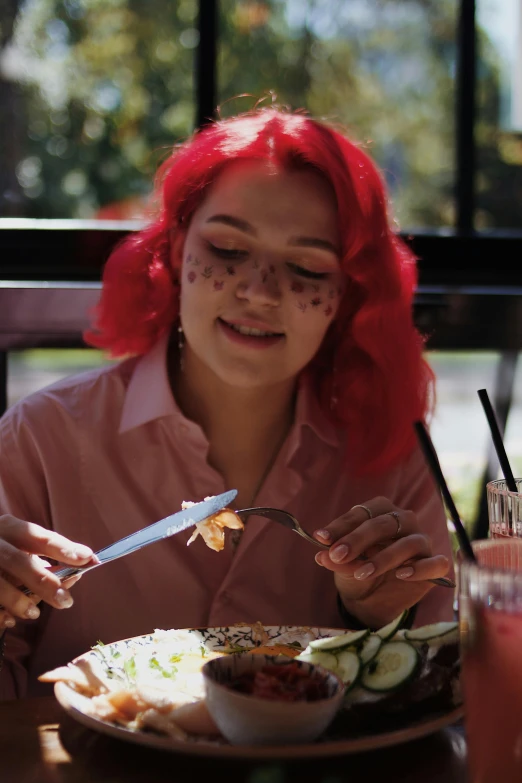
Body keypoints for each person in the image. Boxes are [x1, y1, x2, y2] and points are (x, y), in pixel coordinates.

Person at [0, 107, 454, 700]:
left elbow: (440, 692)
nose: (260, 291)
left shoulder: (393, 455)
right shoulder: (42, 438)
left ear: (348, 294)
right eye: (228, 249)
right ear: (175, 249)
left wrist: (373, 622)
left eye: (305, 266)